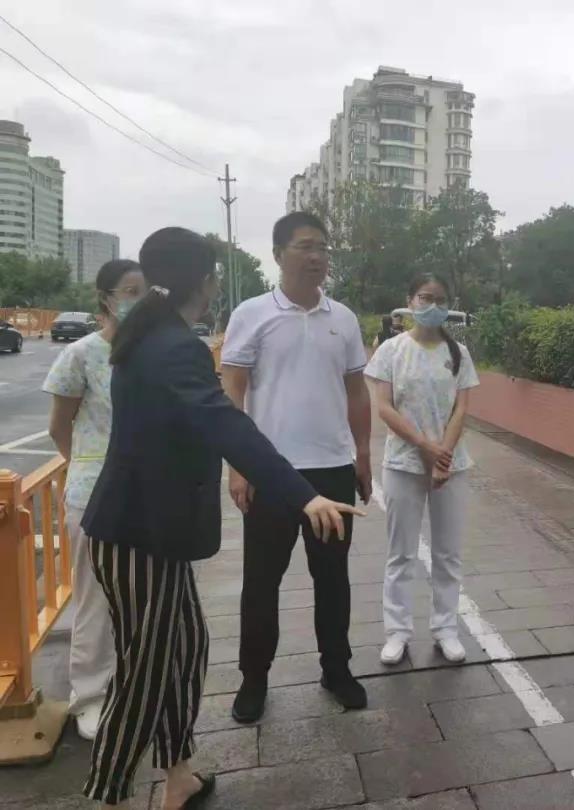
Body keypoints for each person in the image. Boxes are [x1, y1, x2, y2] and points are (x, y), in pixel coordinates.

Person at [80, 227, 362, 809]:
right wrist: (303, 495)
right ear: (203, 281)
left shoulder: (153, 334)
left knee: (185, 648)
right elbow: (223, 420)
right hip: (138, 534)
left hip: (156, 529)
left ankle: (179, 776)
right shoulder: (171, 344)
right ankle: (107, 795)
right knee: (145, 670)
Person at [221, 211, 372, 724]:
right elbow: (232, 390)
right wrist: (238, 464)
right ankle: (253, 679)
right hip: (270, 472)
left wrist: (362, 454)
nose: (317, 257)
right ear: (278, 253)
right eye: (306, 246)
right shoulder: (251, 314)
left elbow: (356, 391)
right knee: (262, 582)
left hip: (332, 469)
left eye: (323, 248)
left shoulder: (343, 318)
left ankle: (337, 669)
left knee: (333, 578)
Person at [43, 259, 146, 741]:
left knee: (140, 594)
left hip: (147, 491)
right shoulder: (82, 354)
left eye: (145, 291)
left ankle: (131, 684)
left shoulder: (149, 353)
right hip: (94, 494)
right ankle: (88, 695)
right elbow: (58, 427)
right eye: (130, 291)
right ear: (106, 298)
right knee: (94, 596)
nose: (138, 300)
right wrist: (86, 467)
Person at [365, 273, 479, 666]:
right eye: (425, 298)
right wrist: (425, 447)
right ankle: (397, 632)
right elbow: (384, 408)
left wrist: (443, 455)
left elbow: (462, 409)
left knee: (448, 553)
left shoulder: (459, 352)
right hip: (403, 464)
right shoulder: (391, 350)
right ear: (410, 300)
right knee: (401, 553)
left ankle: (446, 629)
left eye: (440, 299)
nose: (433, 306)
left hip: (451, 466)